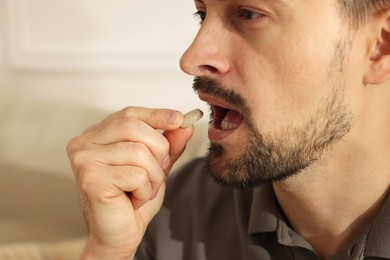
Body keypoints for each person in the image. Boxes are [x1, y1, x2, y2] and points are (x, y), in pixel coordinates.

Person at [67, 0, 390, 259]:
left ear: (380, 46)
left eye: (249, 14)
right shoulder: (177, 207)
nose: (191, 59)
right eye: (201, 14)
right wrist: (108, 251)